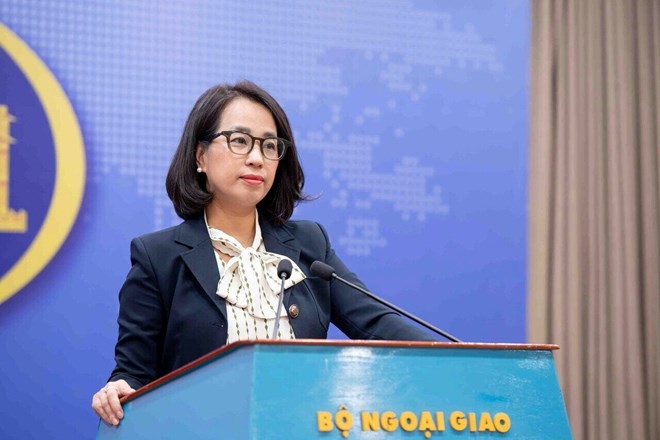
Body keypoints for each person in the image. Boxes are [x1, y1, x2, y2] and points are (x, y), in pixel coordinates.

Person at [91, 80, 436, 426]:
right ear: (200, 156)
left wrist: (457, 360)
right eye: (240, 141)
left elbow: (377, 324)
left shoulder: (310, 244)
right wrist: (119, 389)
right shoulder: (157, 257)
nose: (257, 158)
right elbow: (133, 374)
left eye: (270, 146)